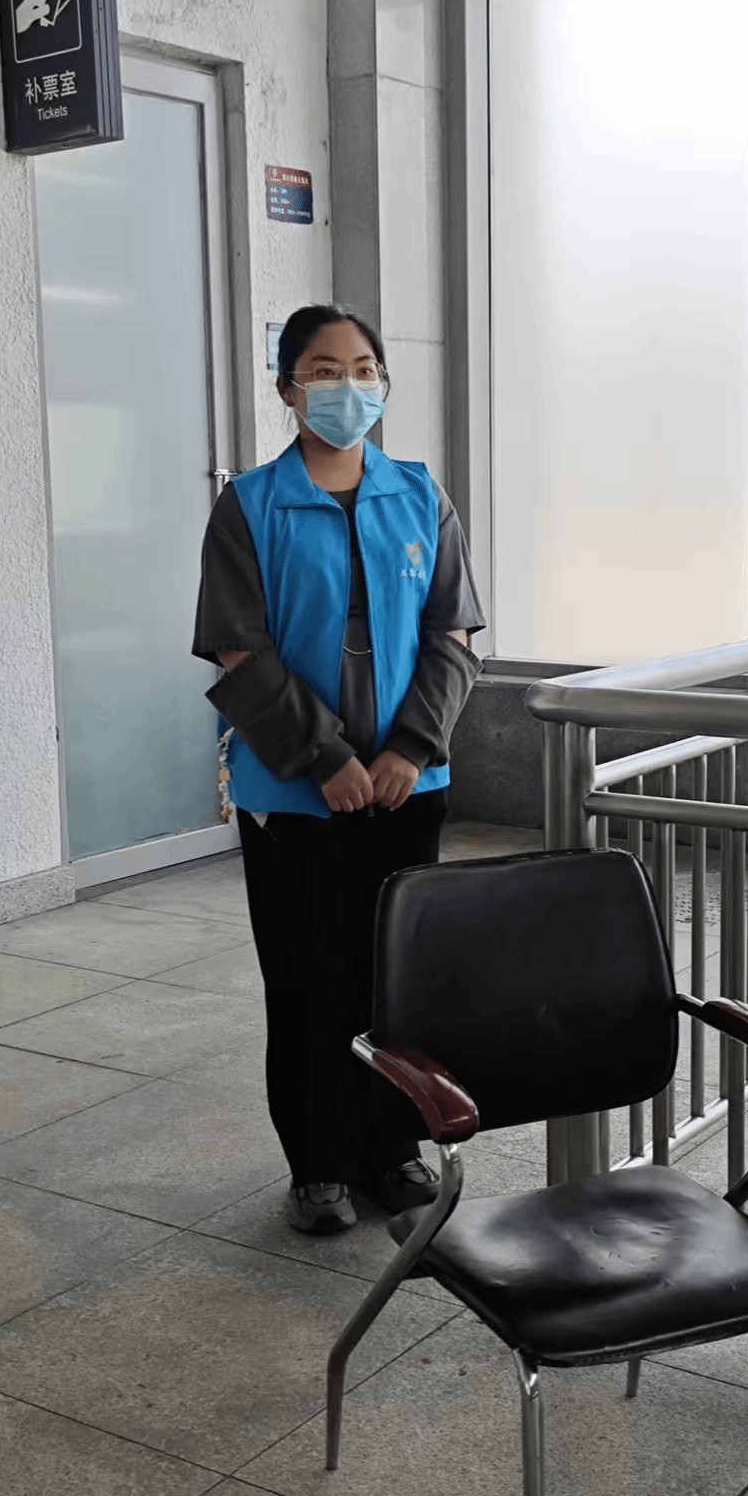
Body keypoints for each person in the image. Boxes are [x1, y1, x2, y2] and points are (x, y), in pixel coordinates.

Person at [193, 304, 485, 1234]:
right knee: (308, 975)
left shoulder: (420, 495)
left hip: (406, 788)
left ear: (384, 384)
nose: (347, 386)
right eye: (323, 370)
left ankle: (393, 1148)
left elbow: (453, 635)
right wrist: (324, 758)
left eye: (364, 369)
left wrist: (409, 748)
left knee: (397, 975)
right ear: (287, 389)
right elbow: (239, 649)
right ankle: (318, 1165)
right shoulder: (249, 507)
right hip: (294, 793)